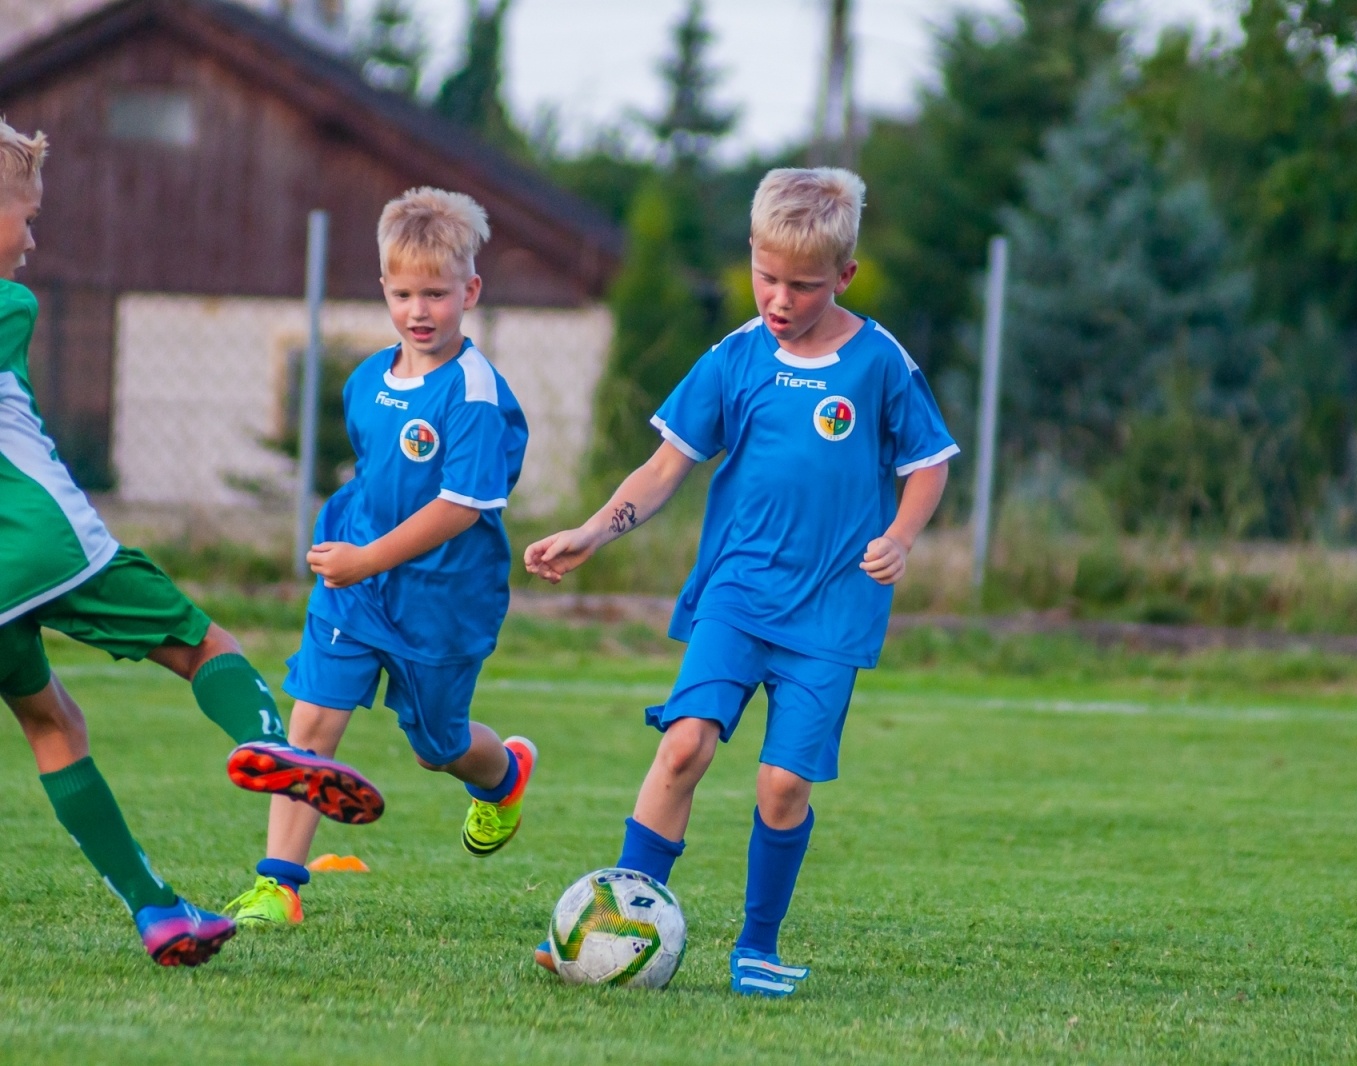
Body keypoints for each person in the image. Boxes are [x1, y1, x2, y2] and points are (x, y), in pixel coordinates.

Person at [525, 167, 958, 996]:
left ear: (844, 276)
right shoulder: (733, 358)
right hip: (737, 594)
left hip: (833, 608)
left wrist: (900, 537)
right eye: (765, 276)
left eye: (802, 284)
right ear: (749, 258)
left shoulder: (878, 363)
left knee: (783, 781)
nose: (780, 298)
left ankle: (757, 947)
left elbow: (929, 463)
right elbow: (663, 468)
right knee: (684, 744)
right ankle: (612, 927)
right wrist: (593, 530)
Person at [0, 118, 383, 967]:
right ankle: (273, 742)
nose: (32, 239)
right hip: (46, 546)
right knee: (201, 642)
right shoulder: (11, 303)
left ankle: (159, 912)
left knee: (52, 722)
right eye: (26, 216)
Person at [226, 187, 535, 928]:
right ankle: (279, 885)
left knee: (439, 747)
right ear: (384, 291)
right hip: (357, 591)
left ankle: (505, 776)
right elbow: (376, 478)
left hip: (444, 598)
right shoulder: (365, 381)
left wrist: (369, 559)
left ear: (471, 291)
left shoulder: (475, 395)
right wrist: (351, 554)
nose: (419, 310)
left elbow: (461, 507)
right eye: (403, 294)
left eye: (436, 293)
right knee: (310, 729)